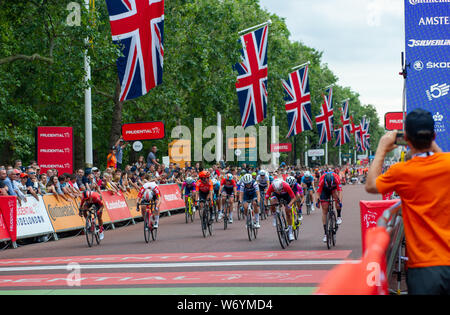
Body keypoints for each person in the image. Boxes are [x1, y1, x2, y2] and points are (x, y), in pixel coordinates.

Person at [365, 108, 450, 295]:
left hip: (424, 267)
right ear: (434, 136)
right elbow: (440, 156)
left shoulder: (401, 172)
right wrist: (432, 146)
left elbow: (371, 185)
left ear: (407, 140)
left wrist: (381, 148)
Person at [316, 170, 343, 243]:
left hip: (333, 190)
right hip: (324, 191)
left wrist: (340, 201)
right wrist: (317, 201)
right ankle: (325, 233)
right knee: (324, 209)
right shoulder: (322, 179)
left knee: (336, 199)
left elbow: (340, 191)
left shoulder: (336, 177)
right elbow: (318, 193)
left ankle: (339, 216)